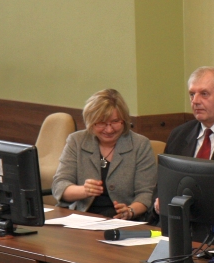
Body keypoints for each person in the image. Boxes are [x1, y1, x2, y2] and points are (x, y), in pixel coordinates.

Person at [53, 89, 157, 219]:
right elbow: (59, 185)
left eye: (115, 121)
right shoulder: (77, 141)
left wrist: (130, 211)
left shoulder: (140, 145)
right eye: (101, 123)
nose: (109, 129)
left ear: (124, 120)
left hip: (124, 222)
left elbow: (146, 194)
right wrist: (84, 190)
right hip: (82, 217)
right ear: (90, 121)